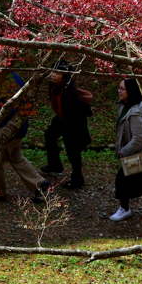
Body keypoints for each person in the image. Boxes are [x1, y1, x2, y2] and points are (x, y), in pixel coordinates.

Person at [0, 74, 50, 204]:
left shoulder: (7, 82)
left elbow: (10, 109)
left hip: (9, 130)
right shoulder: (11, 77)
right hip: (17, 128)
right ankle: (40, 184)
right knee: (16, 157)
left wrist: (3, 133)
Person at [109, 77, 142, 221]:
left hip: (136, 154)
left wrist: (124, 151)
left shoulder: (136, 112)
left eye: (122, 89)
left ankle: (125, 209)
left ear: (131, 91)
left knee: (122, 180)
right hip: (130, 153)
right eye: (118, 88)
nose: (119, 91)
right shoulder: (123, 106)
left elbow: (138, 138)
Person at [44, 61, 93, 190]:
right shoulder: (53, 85)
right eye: (52, 71)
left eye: (57, 73)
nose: (53, 75)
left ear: (64, 76)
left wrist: (89, 112)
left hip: (74, 123)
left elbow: (84, 107)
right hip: (62, 118)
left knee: (73, 151)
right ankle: (55, 166)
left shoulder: (69, 91)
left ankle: (77, 179)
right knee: (49, 135)